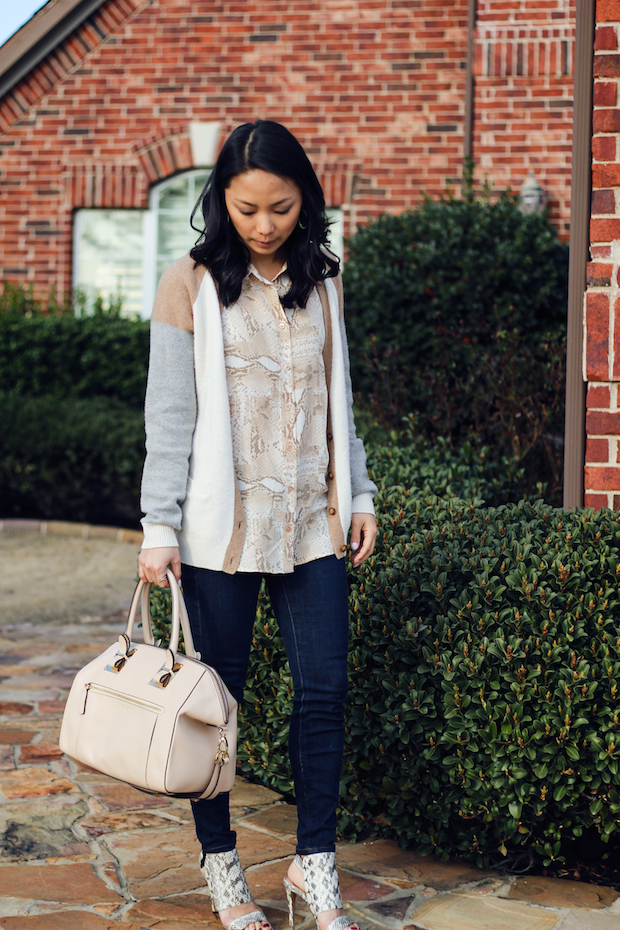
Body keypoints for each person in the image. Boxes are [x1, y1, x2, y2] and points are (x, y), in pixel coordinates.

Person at [138, 119, 377, 930]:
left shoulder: (326, 279)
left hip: (312, 523)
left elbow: (339, 405)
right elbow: (169, 417)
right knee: (217, 706)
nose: (265, 224)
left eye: (280, 206)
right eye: (247, 209)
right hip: (217, 537)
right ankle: (223, 868)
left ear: (304, 198)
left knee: (324, 692)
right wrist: (156, 527)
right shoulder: (191, 283)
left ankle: (315, 870)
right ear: (222, 203)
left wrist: (363, 496)